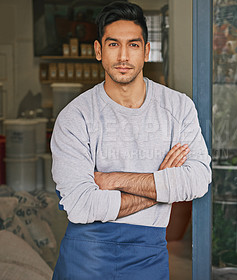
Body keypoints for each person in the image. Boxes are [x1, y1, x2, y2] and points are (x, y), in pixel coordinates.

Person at [50, 1, 211, 279]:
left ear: (146, 51)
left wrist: (114, 179)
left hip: (149, 257)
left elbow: (197, 179)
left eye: (133, 45)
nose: (123, 56)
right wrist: (163, 185)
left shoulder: (178, 107)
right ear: (99, 50)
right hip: (86, 259)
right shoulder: (75, 117)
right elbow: (80, 205)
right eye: (113, 45)